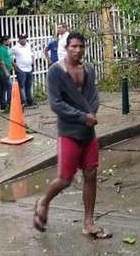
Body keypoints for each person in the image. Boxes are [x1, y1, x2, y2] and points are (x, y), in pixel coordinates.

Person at [33, 32, 111, 239]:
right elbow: (56, 104)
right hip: (68, 132)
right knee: (65, 179)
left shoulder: (89, 70)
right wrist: (81, 116)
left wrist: (92, 113)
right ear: (66, 48)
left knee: (91, 174)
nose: (77, 50)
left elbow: (94, 96)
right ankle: (43, 202)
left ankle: (88, 222)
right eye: (73, 46)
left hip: (88, 132)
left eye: (81, 47)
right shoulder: (55, 72)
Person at [10, 33, 34, 107]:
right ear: (19, 39)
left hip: (29, 68)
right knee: (22, 86)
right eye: (22, 38)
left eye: (25, 38)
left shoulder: (28, 45)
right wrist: (14, 64)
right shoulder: (15, 48)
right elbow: (8, 55)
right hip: (21, 69)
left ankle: (30, 100)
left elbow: (31, 54)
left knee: (29, 85)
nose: (24, 40)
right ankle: (24, 101)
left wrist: (32, 60)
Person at [0, 35, 13, 111]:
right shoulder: (1, 50)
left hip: (6, 71)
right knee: (9, 87)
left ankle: (3, 104)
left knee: (3, 88)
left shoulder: (6, 49)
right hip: (3, 72)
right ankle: (9, 104)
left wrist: (14, 65)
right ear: (4, 41)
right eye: (8, 40)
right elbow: (1, 62)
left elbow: (8, 59)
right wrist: (6, 71)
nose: (9, 42)